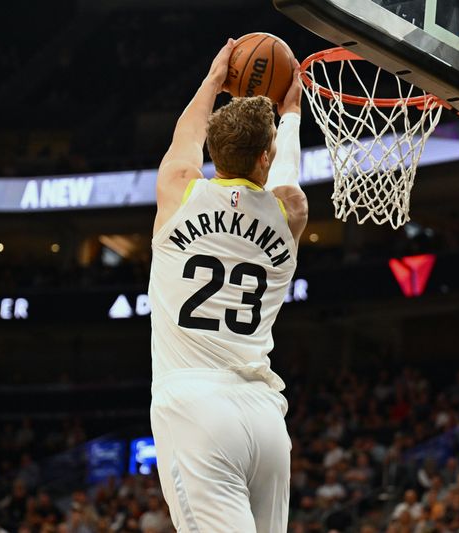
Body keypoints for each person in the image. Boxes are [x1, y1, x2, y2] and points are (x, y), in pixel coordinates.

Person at [148, 38, 307, 533]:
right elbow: (287, 179)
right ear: (267, 155)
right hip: (264, 415)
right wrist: (293, 112)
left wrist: (215, 79)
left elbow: (184, 144)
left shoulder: (179, 190)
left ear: (215, 155)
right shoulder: (291, 212)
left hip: (195, 410)